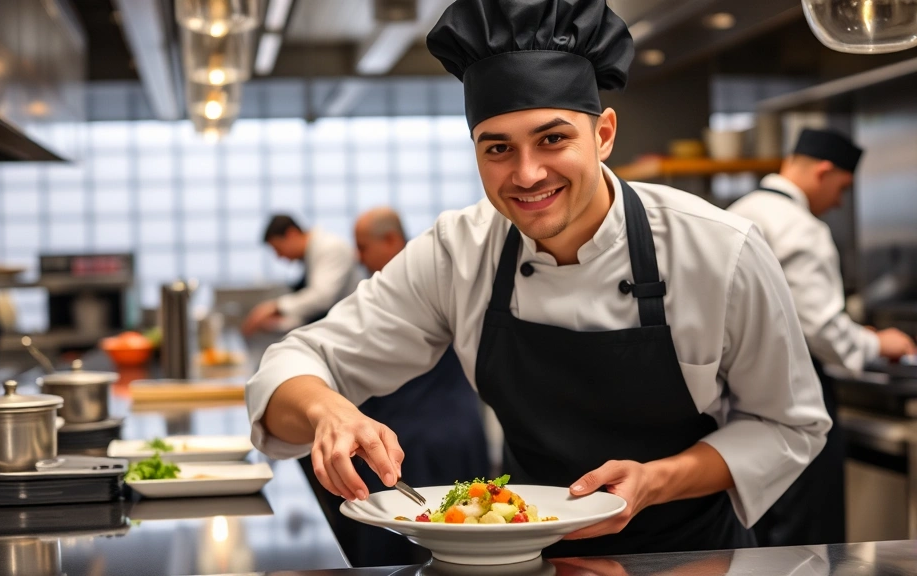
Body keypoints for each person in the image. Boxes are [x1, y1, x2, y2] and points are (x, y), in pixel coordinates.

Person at [246, 0, 831, 558]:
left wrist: (655, 480)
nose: (527, 175)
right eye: (497, 148)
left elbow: (788, 424)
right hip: (524, 558)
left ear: (603, 134)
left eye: (553, 139)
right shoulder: (459, 252)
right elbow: (292, 365)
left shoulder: (719, 250)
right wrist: (328, 411)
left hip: (693, 557)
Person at [728, 128, 917, 547]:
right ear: (824, 171)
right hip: (796, 399)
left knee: (766, 539)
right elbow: (820, 327)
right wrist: (877, 343)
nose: (839, 201)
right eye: (842, 188)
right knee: (809, 541)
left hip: (741, 400)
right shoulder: (801, 227)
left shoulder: (740, 209)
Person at [315, 207, 487, 566]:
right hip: (443, 431)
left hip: (420, 437)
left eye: (362, 246)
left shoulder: (429, 285)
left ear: (392, 240)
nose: (357, 256)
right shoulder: (382, 295)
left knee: (439, 549)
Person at [241, 215, 359, 336]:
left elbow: (322, 298)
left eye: (278, 248)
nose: (279, 256)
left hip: (349, 329)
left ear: (291, 234)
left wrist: (275, 307)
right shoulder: (311, 255)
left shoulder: (330, 248)